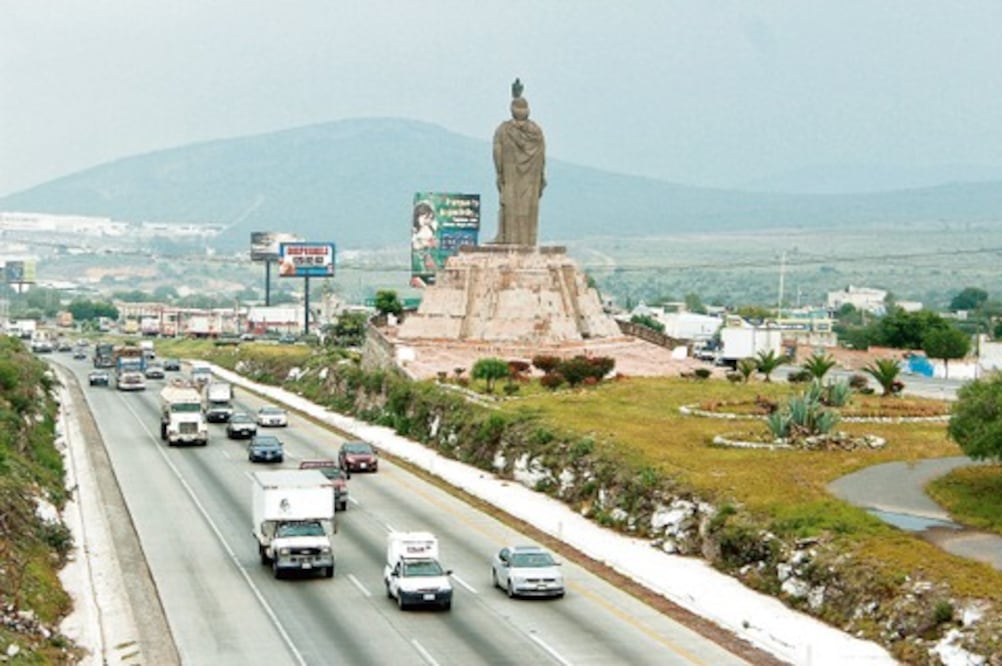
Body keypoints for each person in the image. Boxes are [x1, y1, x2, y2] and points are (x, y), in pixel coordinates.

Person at [492, 81, 546, 246]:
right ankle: (527, 240)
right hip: (531, 180)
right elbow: (542, 158)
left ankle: (507, 236)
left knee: (509, 205)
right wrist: (541, 176)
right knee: (528, 208)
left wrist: (500, 173)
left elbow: (497, 154)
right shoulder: (536, 132)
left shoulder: (504, 130)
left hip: (511, 177)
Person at [411, 201, 439, 276]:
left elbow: (434, 242)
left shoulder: (430, 228)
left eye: (430, 218)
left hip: (427, 256)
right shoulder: (414, 230)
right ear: (417, 217)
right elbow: (415, 245)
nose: (427, 221)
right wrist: (425, 243)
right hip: (418, 258)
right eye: (425, 218)